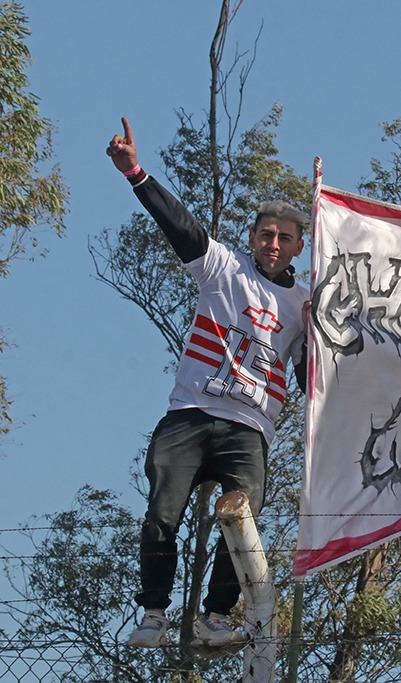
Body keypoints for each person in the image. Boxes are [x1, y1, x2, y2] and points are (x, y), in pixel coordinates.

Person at [106, 117, 309, 648]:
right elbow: (182, 226)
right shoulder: (222, 268)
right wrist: (136, 173)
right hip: (191, 413)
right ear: (252, 238)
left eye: (284, 238)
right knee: (162, 512)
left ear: (298, 248)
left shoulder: (304, 304)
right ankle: (153, 614)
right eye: (266, 233)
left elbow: (312, 379)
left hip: (249, 428)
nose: (273, 242)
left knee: (246, 518)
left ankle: (216, 616)